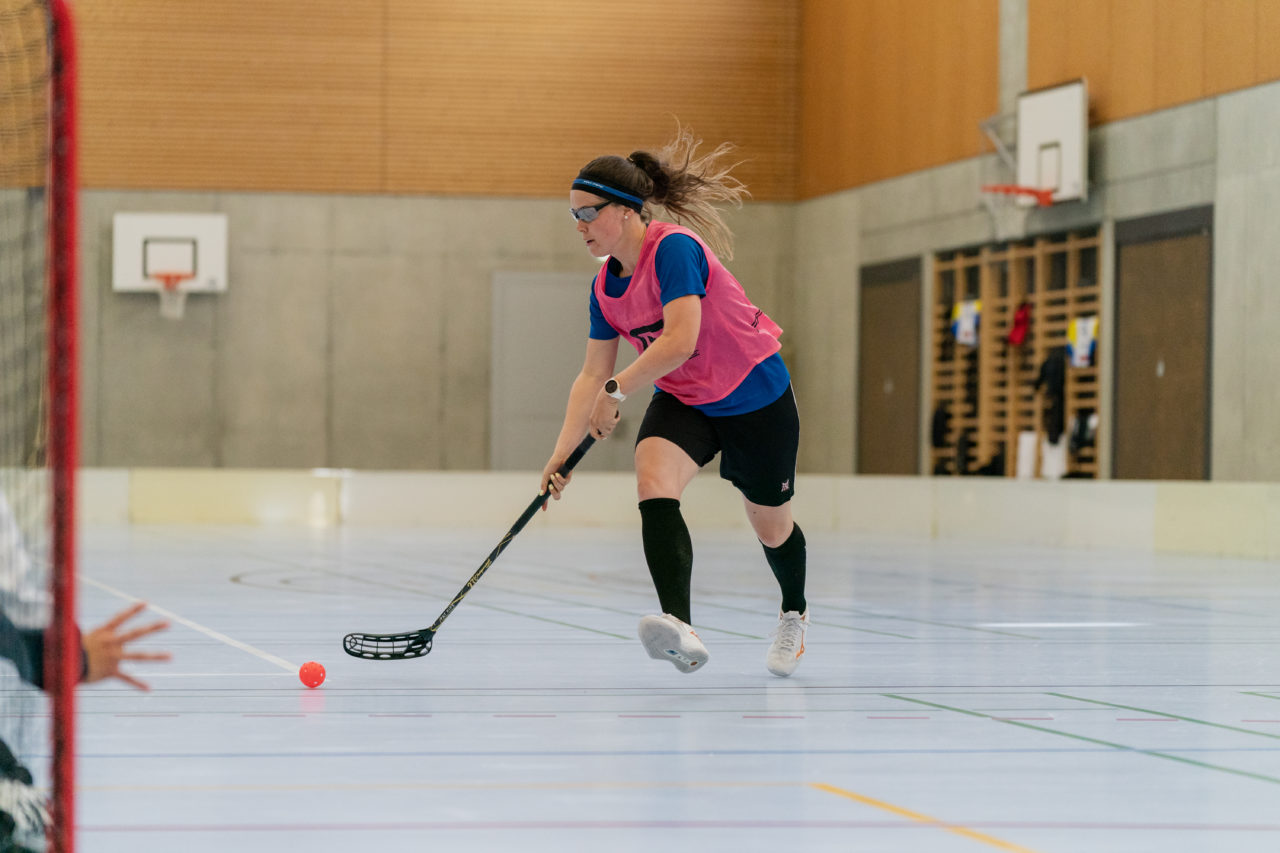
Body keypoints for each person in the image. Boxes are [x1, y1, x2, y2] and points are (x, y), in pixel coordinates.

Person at [540, 125, 808, 677]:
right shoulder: (602, 289)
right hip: (687, 400)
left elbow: (681, 340)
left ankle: (794, 612)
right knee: (652, 481)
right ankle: (680, 628)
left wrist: (618, 391)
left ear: (627, 211)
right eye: (574, 216)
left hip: (755, 396)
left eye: (588, 213)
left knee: (771, 526)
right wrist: (561, 455)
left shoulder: (674, 250)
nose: (581, 226)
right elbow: (592, 374)